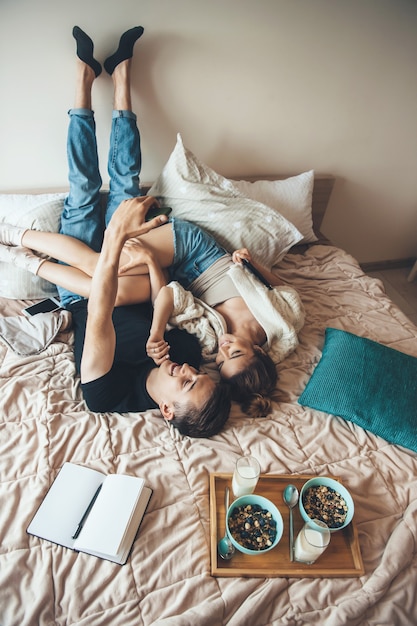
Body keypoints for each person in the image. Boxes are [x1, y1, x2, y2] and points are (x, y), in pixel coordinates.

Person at [0, 27, 304, 419]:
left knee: (86, 189)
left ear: (167, 410)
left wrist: (135, 255)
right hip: (168, 264)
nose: (196, 369)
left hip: (96, 292)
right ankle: (122, 76)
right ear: (259, 351)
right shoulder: (265, 329)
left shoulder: (193, 351)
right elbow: (172, 296)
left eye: (191, 380)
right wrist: (153, 283)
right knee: (119, 200)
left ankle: (83, 80)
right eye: (201, 375)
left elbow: (121, 308)